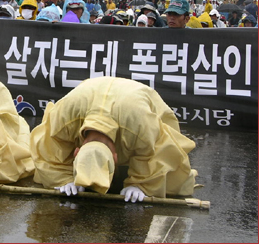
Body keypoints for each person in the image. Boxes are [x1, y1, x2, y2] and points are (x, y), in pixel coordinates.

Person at [30, 76, 197, 201]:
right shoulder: (65, 116)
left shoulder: (140, 126)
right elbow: (49, 149)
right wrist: (64, 178)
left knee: (164, 163)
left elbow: (159, 151)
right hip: (88, 92)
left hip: (135, 99)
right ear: (76, 151)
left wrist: (141, 184)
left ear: (116, 158)